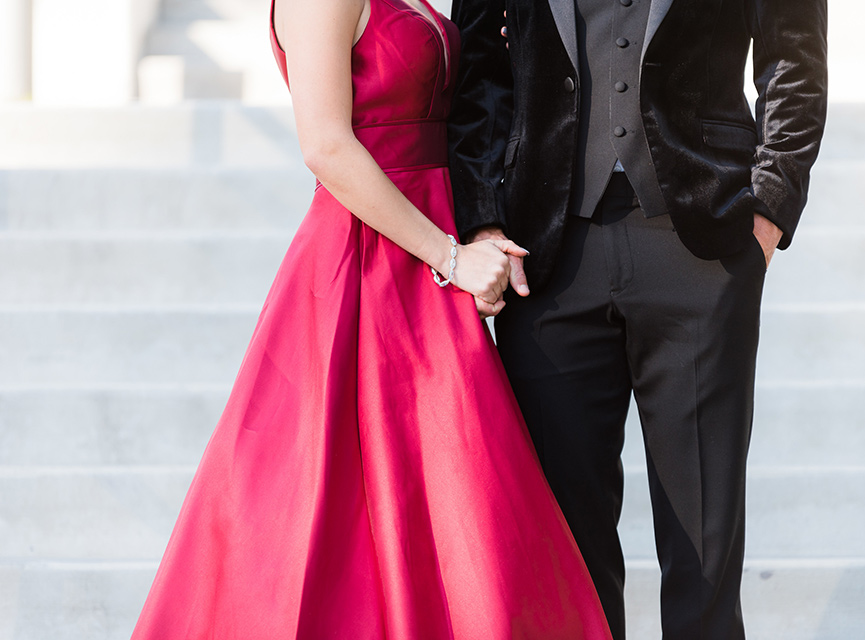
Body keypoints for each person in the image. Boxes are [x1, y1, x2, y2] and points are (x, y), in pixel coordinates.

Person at [129, 0, 614, 637]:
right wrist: (449, 256)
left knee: (459, 496)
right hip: (371, 258)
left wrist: (474, 233)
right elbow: (326, 145)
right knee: (369, 497)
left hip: (430, 248)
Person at [447, 1, 828, 639]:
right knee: (568, 548)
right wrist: (483, 217)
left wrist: (768, 209)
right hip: (545, 256)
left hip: (700, 250)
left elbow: (794, 58)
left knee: (705, 546)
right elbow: (478, 70)